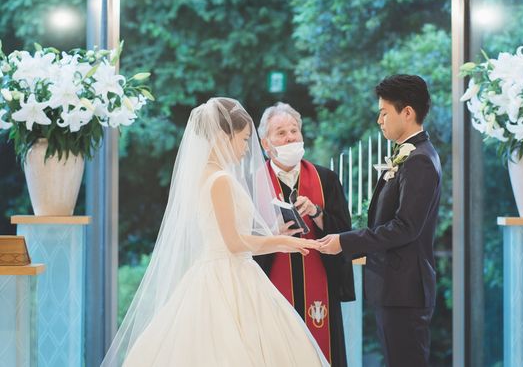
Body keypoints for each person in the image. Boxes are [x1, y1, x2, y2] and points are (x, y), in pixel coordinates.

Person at [101, 97, 328, 367]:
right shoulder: (220, 180)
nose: (247, 148)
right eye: (244, 140)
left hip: (219, 270)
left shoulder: (206, 175)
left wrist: (277, 239)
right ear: (223, 137)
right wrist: (282, 241)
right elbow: (234, 243)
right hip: (229, 273)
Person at [318, 75, 442, 367]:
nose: (379, 120)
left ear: (407, 112)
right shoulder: (410, 154)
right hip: (395, 288)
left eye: (384, 112)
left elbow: (405, 227)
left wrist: (344, 241)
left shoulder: (419, 160)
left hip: (405, 291)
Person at [254, 102, 355, 367]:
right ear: (265, 143)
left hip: (320, 288)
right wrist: (273, 235)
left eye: (294, 130)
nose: (290, 137)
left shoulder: (326, 179)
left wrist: (317, 213)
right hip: (270, 289)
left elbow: (345, 232)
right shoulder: (252, 184)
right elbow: (241, 242)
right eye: (281, 133)